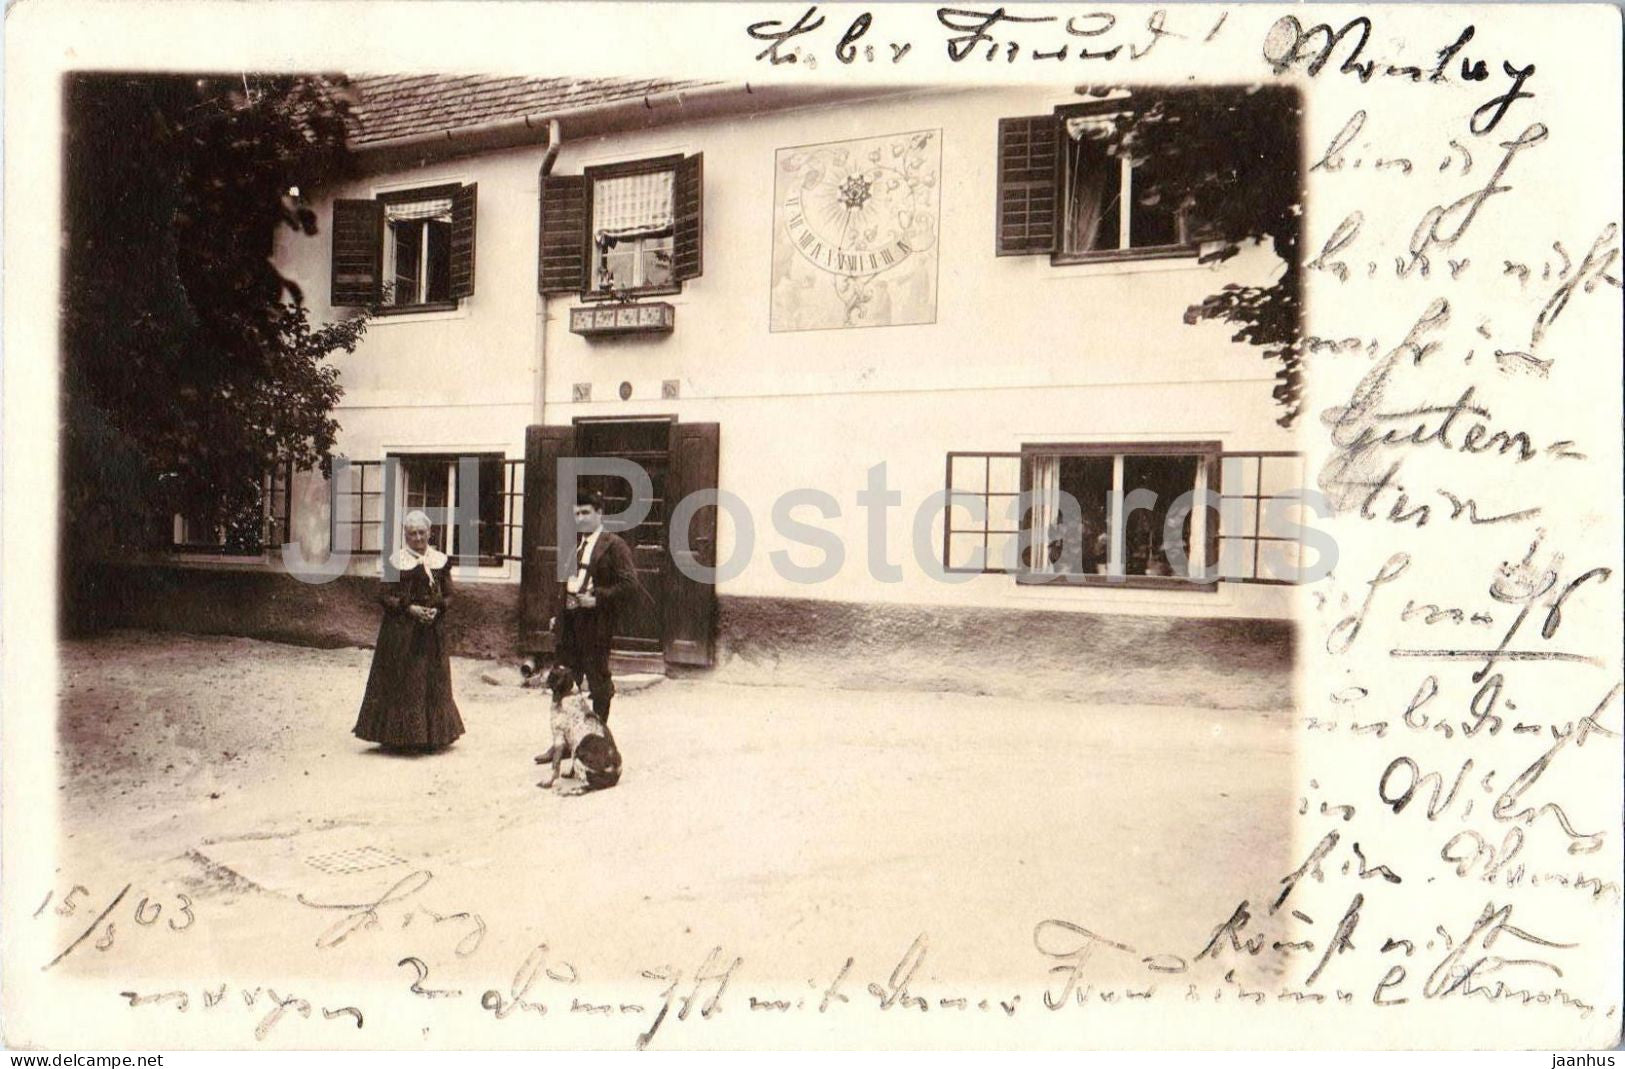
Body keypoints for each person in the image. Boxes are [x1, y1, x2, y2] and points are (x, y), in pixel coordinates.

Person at [534, 491, 638, 765]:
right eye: (576, 514)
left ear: (599, 513)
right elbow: (565, 584)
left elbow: (630, 585)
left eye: (585, 513)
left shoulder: (614, 545)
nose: (580, 519)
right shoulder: (574, 545)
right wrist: (558, 615)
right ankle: (563, 743)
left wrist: (597, 598)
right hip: (570, 626)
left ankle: (596, 741)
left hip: (595, 626)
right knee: (563, 684)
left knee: (599, 685)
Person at [353, 510, 465, 751]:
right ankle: (403, 738)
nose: (417, 537)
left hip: (431, 633)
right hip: (401, 634)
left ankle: (432, 736)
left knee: (432, 681)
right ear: (405, 536)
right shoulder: (396, 561)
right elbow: (383, 596)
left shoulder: (439, 561)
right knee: (407, 681)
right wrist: (410, 609)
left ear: (429, 533)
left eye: (421, 532)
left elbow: (449, 594)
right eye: (412, 533)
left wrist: (438, 609)